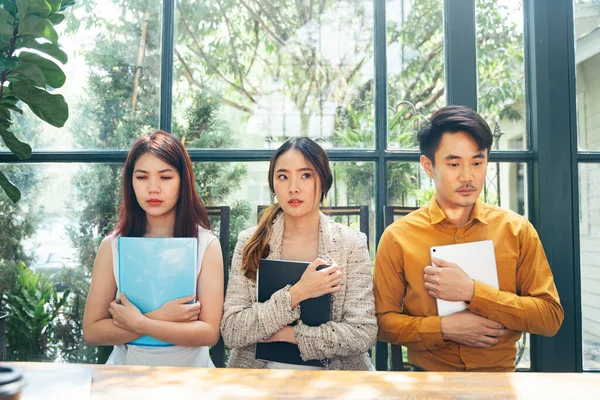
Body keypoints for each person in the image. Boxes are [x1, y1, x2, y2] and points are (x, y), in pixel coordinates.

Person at [374, 105, 564, 372]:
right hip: (427, 383)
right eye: (453, 164)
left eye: (477, 162)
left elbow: (550, 317)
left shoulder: (516, 230)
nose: (468, 176)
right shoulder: (398, 237)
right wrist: (443, 329)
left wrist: (473, 292)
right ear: (428, 166)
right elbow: (380, 323)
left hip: (499, 382)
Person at [220, 137, 377, 370]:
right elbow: (232, 330)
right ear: (273, 185)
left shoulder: (350, 243)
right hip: (259, 379)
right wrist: (297, 294)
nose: (293, 187)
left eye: (306, 175)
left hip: (335, 381)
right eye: (283, 176)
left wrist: (290, 334)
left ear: (323, 182)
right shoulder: (249, 241)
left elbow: (363, 333)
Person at [83, 130, 224, 367]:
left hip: (191, 376)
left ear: (183, 181)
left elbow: (210, 333)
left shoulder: (207, 244)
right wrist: (162, 317)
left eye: (165, 177)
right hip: (125, 374)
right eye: (142, 177)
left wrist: (140, 323)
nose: (153, 188)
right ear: (131, 182)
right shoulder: (112, 245)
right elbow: (92, 331)